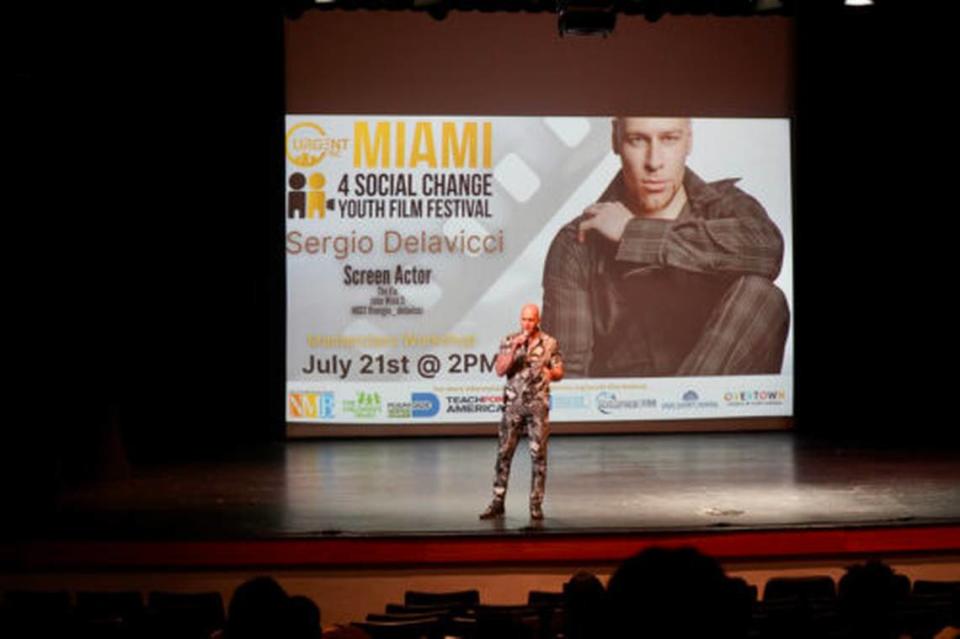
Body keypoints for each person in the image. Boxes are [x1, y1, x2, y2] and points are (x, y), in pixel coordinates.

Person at [542, 117, 790, 378]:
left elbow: (768, 251)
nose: (654, 162)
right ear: (615, 140)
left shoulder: (727, 207)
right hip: (625, 413)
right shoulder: (576, 243)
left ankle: (689, 416)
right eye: (637, 140)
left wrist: (632, 232)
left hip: (722, 414)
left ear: (688, 140)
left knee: (762, 295)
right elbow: (565, 379)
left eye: (669, 139)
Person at [479, 303, 564, 521]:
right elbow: (499, 370)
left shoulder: (550, 343)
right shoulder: (509, 340)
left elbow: (559, 371)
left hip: (537, 407)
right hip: (513, 407)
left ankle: (536, 505)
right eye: (524, 319)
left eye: (531, 320)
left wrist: (550, 373)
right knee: (503, 455)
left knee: (539, 458)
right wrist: (515, 347)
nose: (527, 323)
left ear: (538, 321)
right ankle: (497, 503)